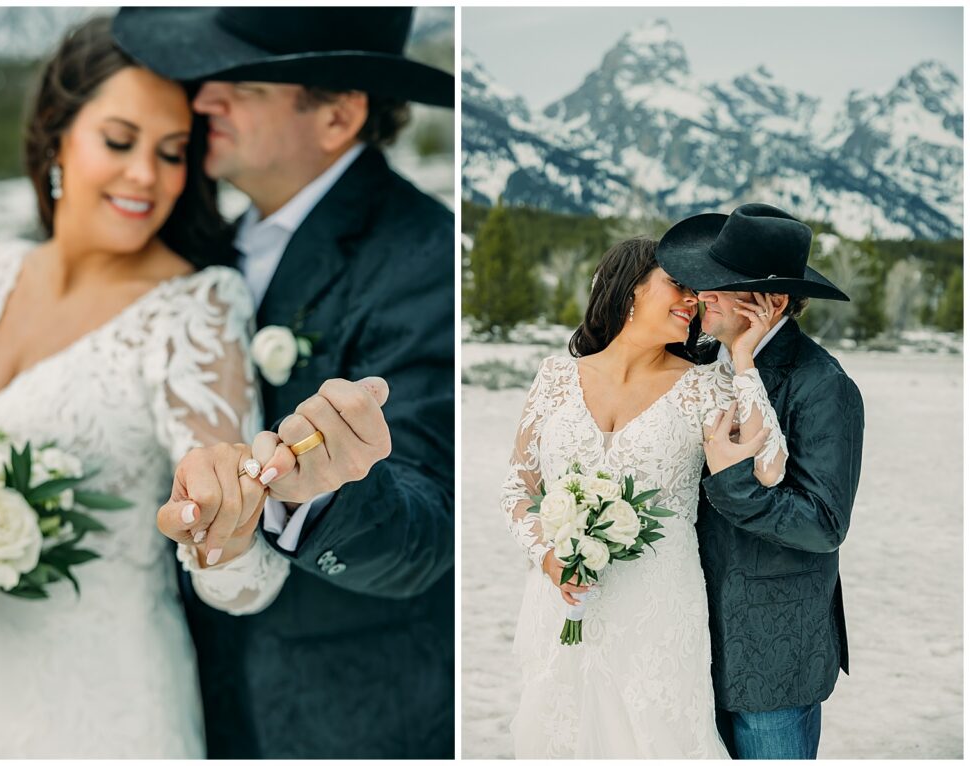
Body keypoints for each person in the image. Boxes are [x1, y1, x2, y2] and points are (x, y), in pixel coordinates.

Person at [112, 7, 455, 758]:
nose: (201, 100)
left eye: (240, 84)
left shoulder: (425, 256)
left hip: (352, 720)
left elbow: (431, 527)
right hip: (187, 698)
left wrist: (330, 487)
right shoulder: (200, 242)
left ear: (336, 115)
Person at [0, 16, 287, 758]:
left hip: (113, 707)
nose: (147, 175)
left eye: (173, 153)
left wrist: (223, 530)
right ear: (56, 135)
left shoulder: (196, 306)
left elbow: (246, 582)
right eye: (119, 140)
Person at [501, 236, 790, 757]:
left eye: (697, 291)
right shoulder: (555, 377)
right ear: (628, 289)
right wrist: (548, 557)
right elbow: (519, 488)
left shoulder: (707, 384)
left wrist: (743, 357)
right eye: (677, 284)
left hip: (658, 607)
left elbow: (769, 469)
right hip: (563, 597)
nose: (693, 300)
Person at [656, 202, 864, 759]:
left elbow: (823, 525)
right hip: (686, 636)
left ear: (768, 303)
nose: (701, 294)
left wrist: (735, 485)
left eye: (720, 287)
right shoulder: (698, 359)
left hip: (773, 652)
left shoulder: (824, 386)